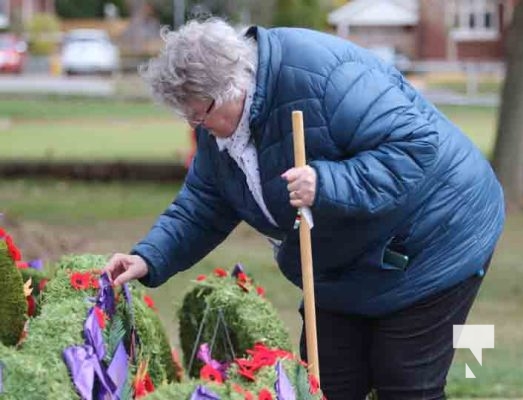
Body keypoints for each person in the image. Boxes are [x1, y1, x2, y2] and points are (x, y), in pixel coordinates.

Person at [103, 18, 505, 400]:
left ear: (233, 84)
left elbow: (415, 148)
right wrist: (148, 257)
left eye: (199, 111)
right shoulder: (216, 123)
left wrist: (326, 183)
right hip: (345, 258)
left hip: (437, 236)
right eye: (185, 114)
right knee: (325, 381)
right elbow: (204, 204)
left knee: (403, 381)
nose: (194, 124)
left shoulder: (327, 76)